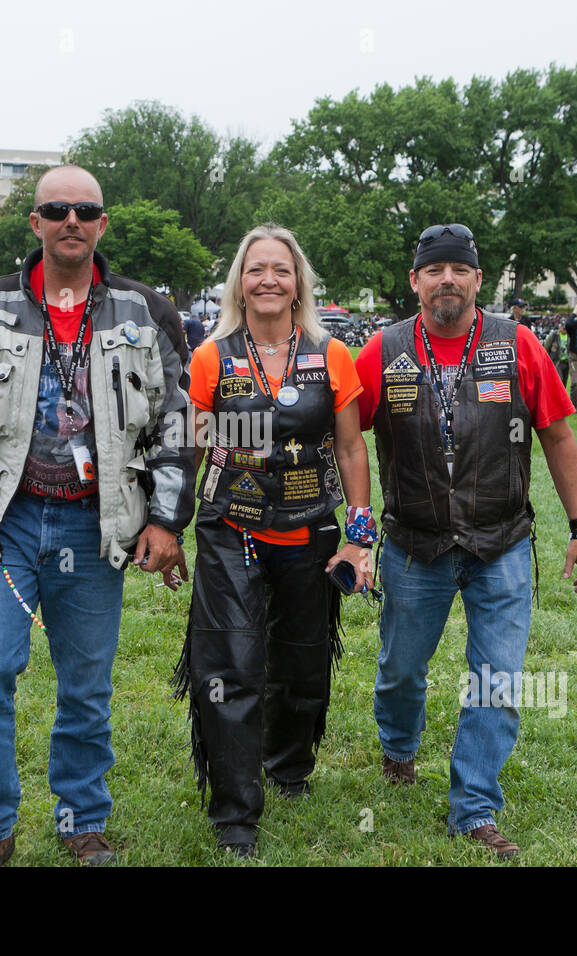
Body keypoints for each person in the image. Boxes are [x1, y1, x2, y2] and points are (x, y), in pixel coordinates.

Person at [0, 165, 194, 867]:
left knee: (87, 683)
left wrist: (166, 518)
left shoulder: (146, 310)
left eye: (85, 209)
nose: (71, 220)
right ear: (34, 223)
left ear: (102, 223)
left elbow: (177, 423)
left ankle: (81, 818)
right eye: (56, 209)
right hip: (7, 522)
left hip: (98, 526)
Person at [355, 223, 577, 859]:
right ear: (415, 281)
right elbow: (346, 438)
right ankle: (399, 747)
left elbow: (559, 436)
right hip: (415, 545)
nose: (447, 281)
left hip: (503, 543)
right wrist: (349, 528)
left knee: (498, 678)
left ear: (478, 280)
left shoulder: (516, 345)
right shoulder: (384, 351)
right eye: (433, 270)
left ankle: (475, 806)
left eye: (459, 269)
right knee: (401, 669)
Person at [173, 224, 373, 859]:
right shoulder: (212, 356)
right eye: (255, 269)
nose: (267, 279)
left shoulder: (331, 353)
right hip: (232, 528)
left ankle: (289, 767)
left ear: (298, 284)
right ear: (239, 281)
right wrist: (166, 526)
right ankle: (235, 810)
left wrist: (360, 535)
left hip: (312, 530)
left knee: (303, 660)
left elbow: (349, 445)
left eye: (280, 270)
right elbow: (190, 447)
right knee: (231, 664)